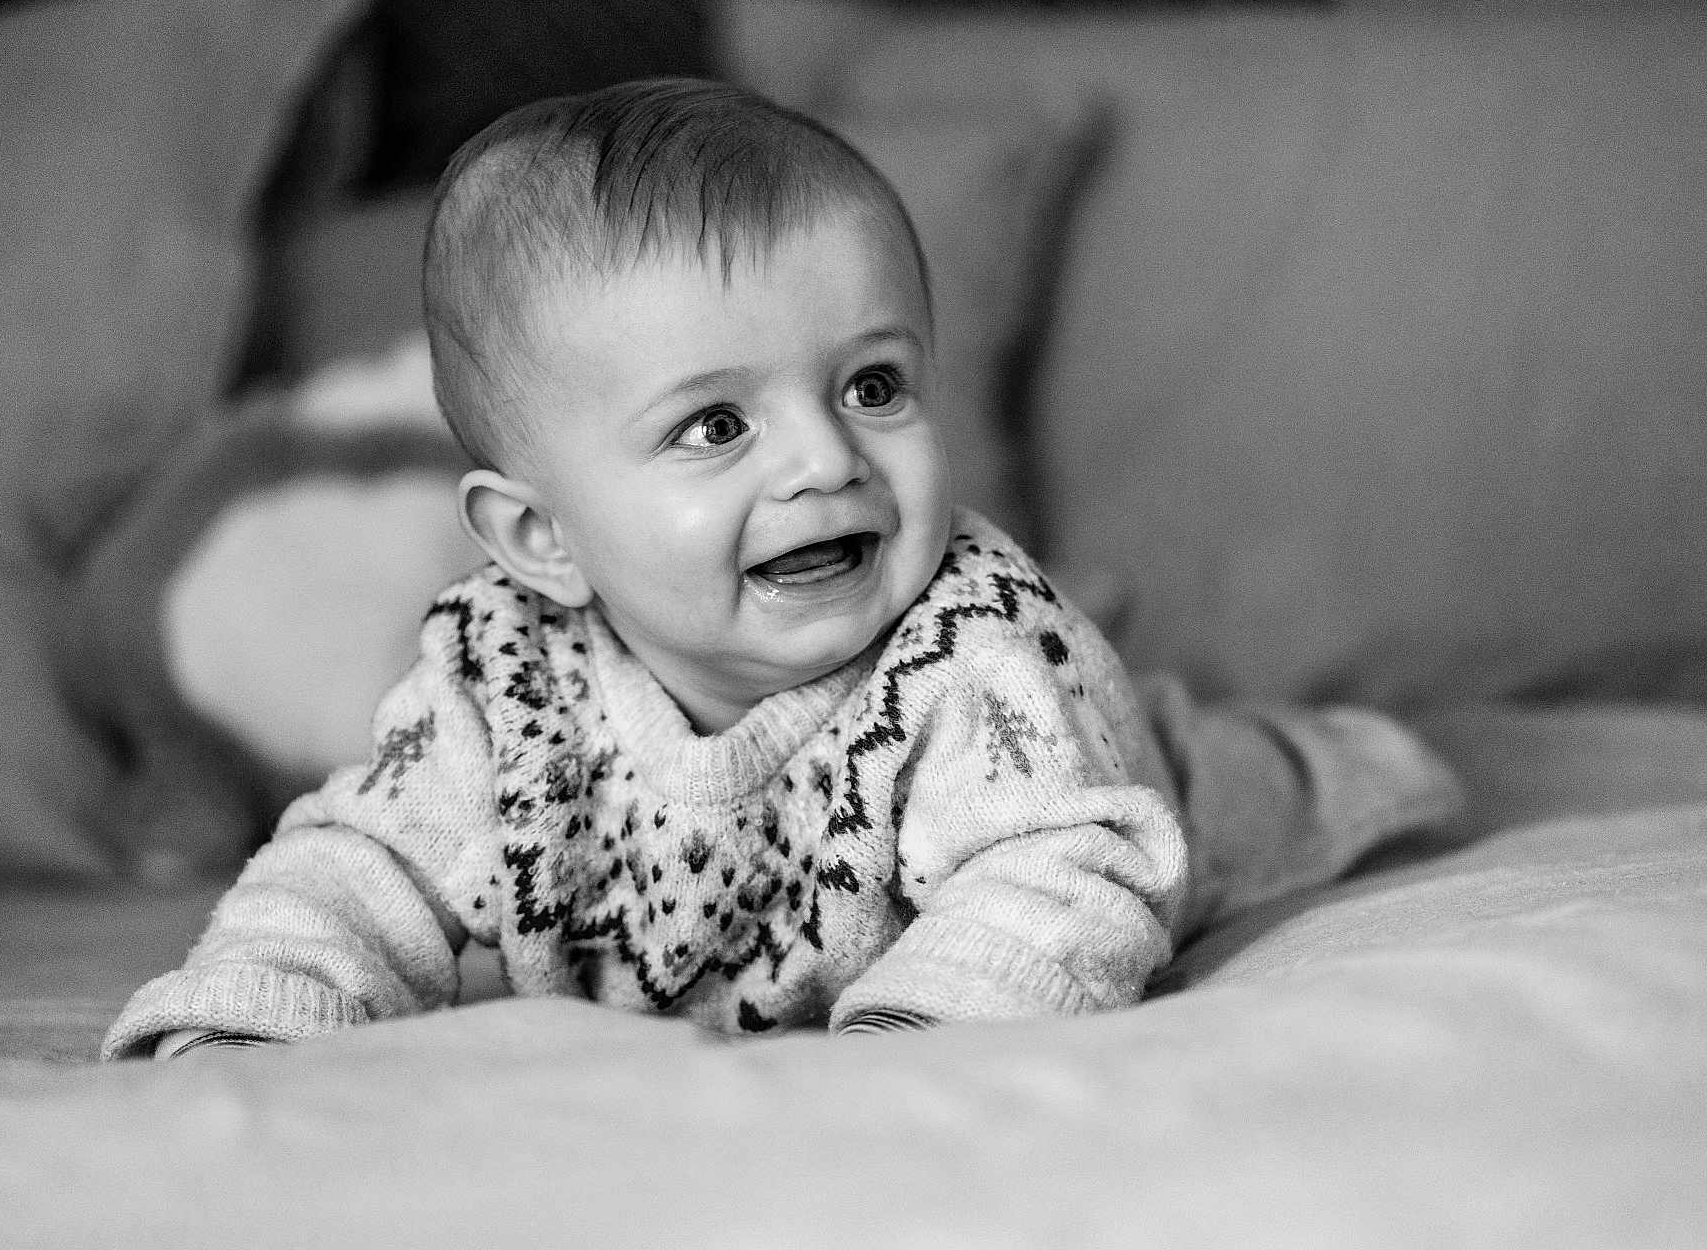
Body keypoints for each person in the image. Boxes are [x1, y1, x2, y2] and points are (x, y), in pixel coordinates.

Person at [102, 78, 1459, 1059]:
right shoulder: (496, 681)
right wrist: (258, 1007)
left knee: (1253, 779)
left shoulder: (971, 650)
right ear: (541, 541)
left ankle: (1363, 753)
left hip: (1122, 784)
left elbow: (1057, 871)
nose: (825, 462)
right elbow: (364, 862)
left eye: (872, 385)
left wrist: (926, 1047)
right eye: (716, 425)